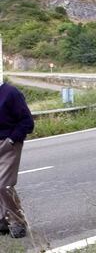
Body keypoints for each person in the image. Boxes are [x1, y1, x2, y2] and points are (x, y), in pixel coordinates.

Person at [0, 82, 34, 238]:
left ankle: (18, 222)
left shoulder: (10, 93)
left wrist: (12, 140)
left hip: (8, 144)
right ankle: (3, 220)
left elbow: (27, 121)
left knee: (4, 185)